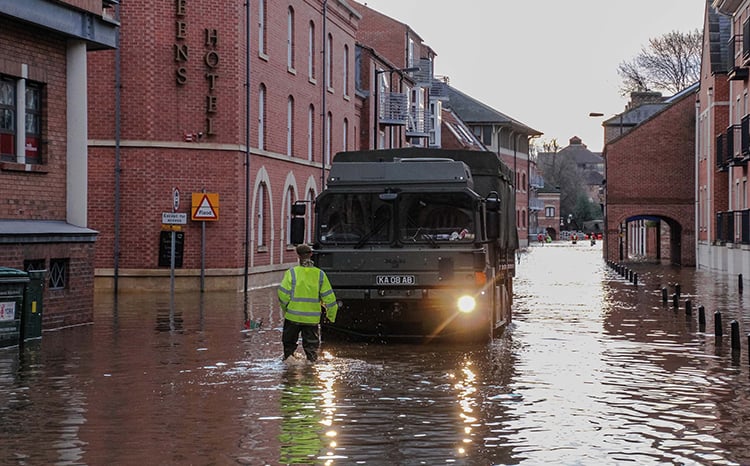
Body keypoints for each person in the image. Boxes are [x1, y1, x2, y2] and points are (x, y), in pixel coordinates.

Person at [277, 243, 339, 363]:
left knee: (289, 348)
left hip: (292, 317)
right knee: (312, 352)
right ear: (311, 255)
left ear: (298, 256)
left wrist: (286, 309)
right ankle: (310, 375)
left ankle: (289, 373)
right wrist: (331, 316)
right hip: (312, 319)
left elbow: (282, 294)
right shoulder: (320, 274)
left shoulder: (292, 273)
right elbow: (330, 299)